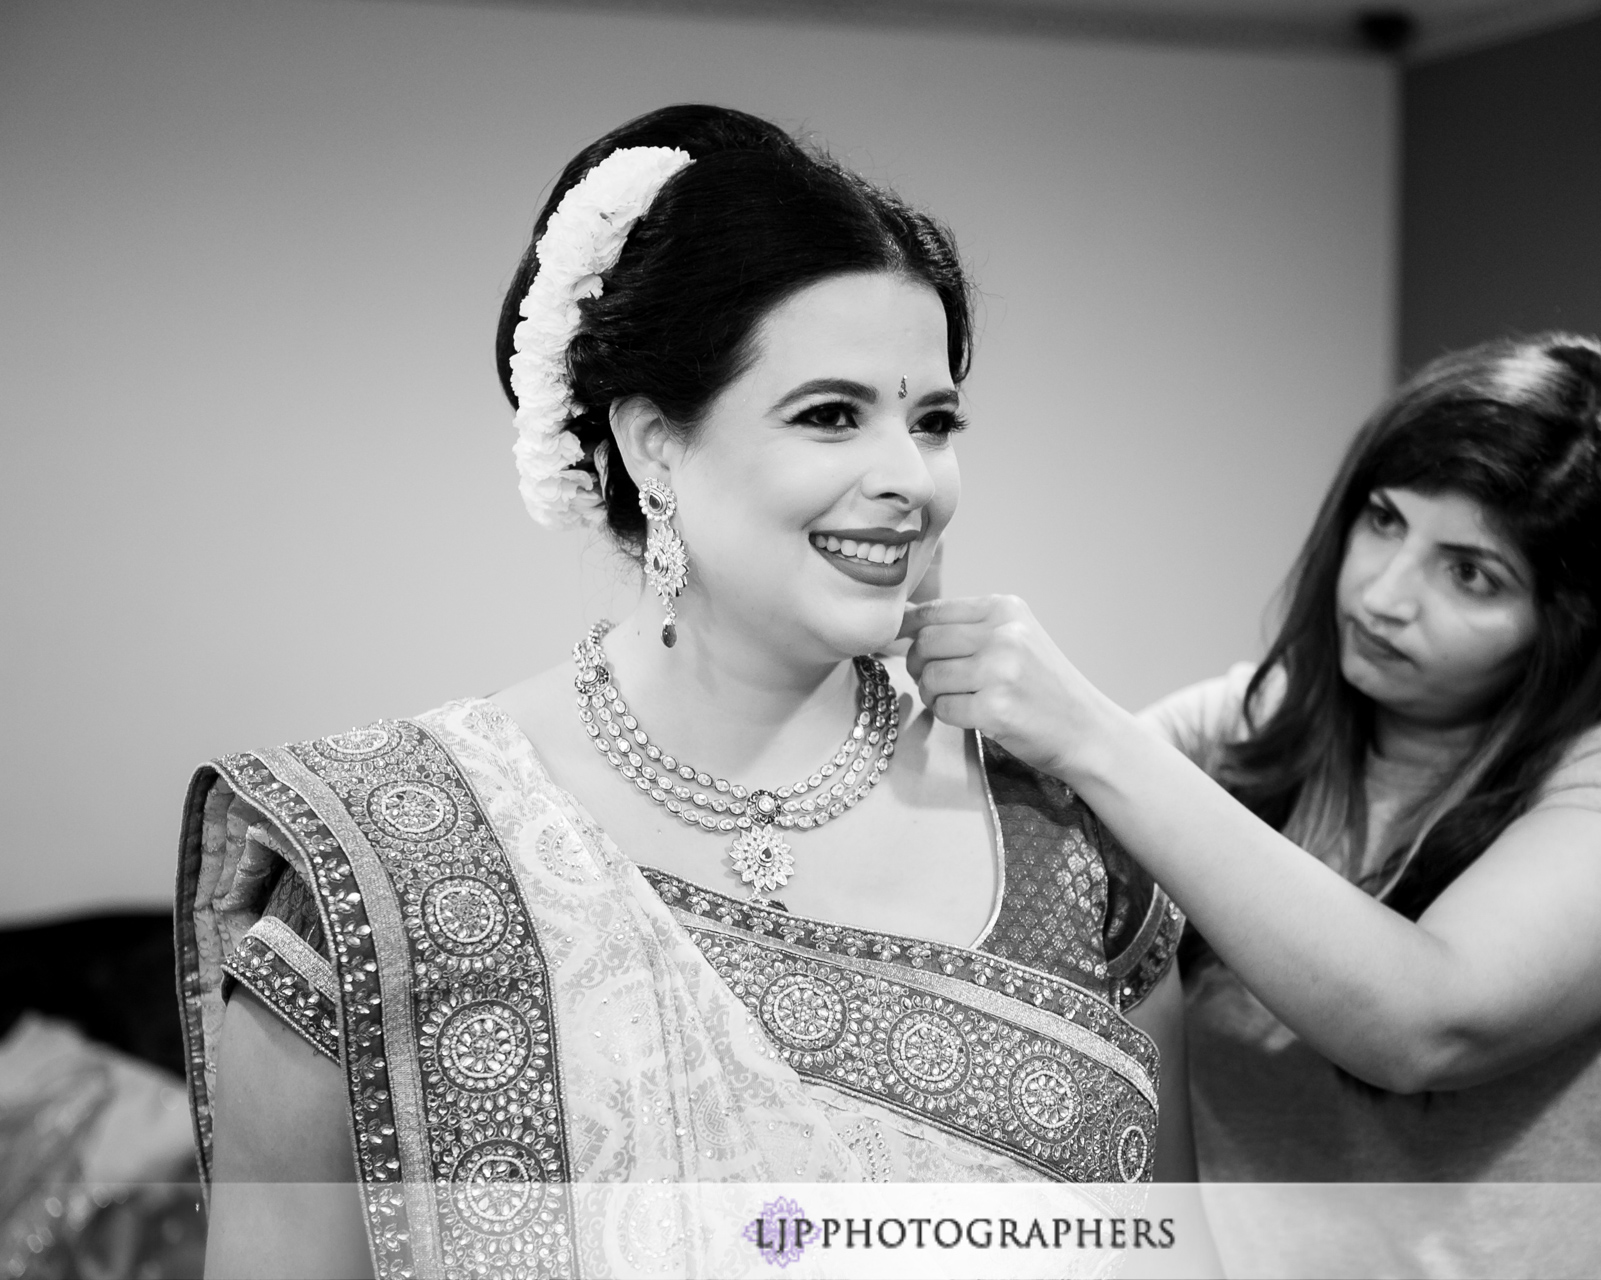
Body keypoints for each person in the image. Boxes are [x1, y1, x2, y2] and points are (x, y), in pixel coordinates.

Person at [175, 105, 1189, 1280]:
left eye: (934, 419)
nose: (909, 478)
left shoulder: (1067, 838)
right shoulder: (398, 861)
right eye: (829, 414)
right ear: (655, 444)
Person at [902, 334, 1601, 1278]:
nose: (1386, 595)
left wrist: (1092, 736)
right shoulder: (1246, 728)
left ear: (1576, 622)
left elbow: (1428, 1021)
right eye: (1385, 522)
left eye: (1472, 573)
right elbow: (986, 879)